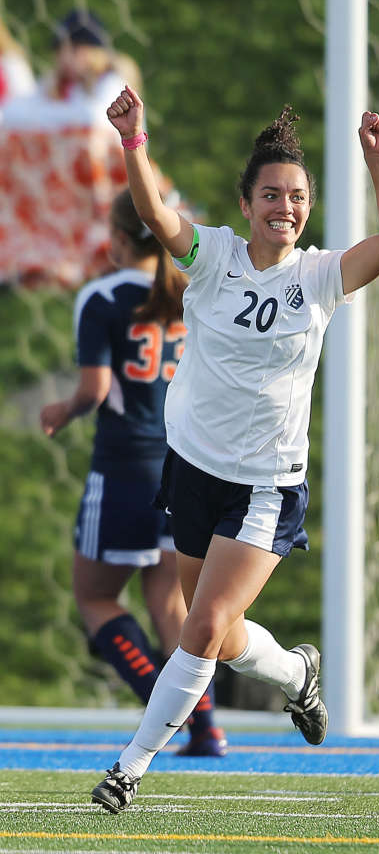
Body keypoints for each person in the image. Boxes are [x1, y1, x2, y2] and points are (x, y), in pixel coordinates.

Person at [90, 84, 379, 813]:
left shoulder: (320, 277)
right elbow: (152, 214)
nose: (285, 207)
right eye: (271, 194)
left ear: (307, 207)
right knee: (221, 631)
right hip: (193, 472)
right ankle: (298, 677)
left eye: (296, 196)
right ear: (246, 204)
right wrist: (133, 141)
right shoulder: (210, 257)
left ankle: (129, 770)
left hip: (265, 486)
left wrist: (375, 159)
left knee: (198, 629)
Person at [40, 187, 227, 758]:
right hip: (185, 463)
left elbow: (97, 390)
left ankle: (159, 710)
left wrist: (62, 410)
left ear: (120, 239)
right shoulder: (192, 288)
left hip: (123, 467)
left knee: (94, 598)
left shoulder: (102, 298)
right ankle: (207, 729)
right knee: (172, 604)